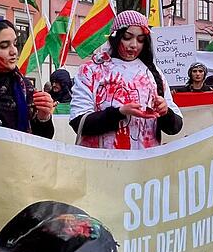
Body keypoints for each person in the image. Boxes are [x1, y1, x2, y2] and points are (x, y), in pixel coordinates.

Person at [69, 11, 183, 149]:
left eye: (140, 40)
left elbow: (175, 127)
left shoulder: (154, 73)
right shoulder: (91, 71)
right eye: (127, 37)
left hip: (144, 164)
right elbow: (78, 123)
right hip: (100, 163)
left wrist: (165, 113)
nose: (134, 45)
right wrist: (119, 113)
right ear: (115, 37)